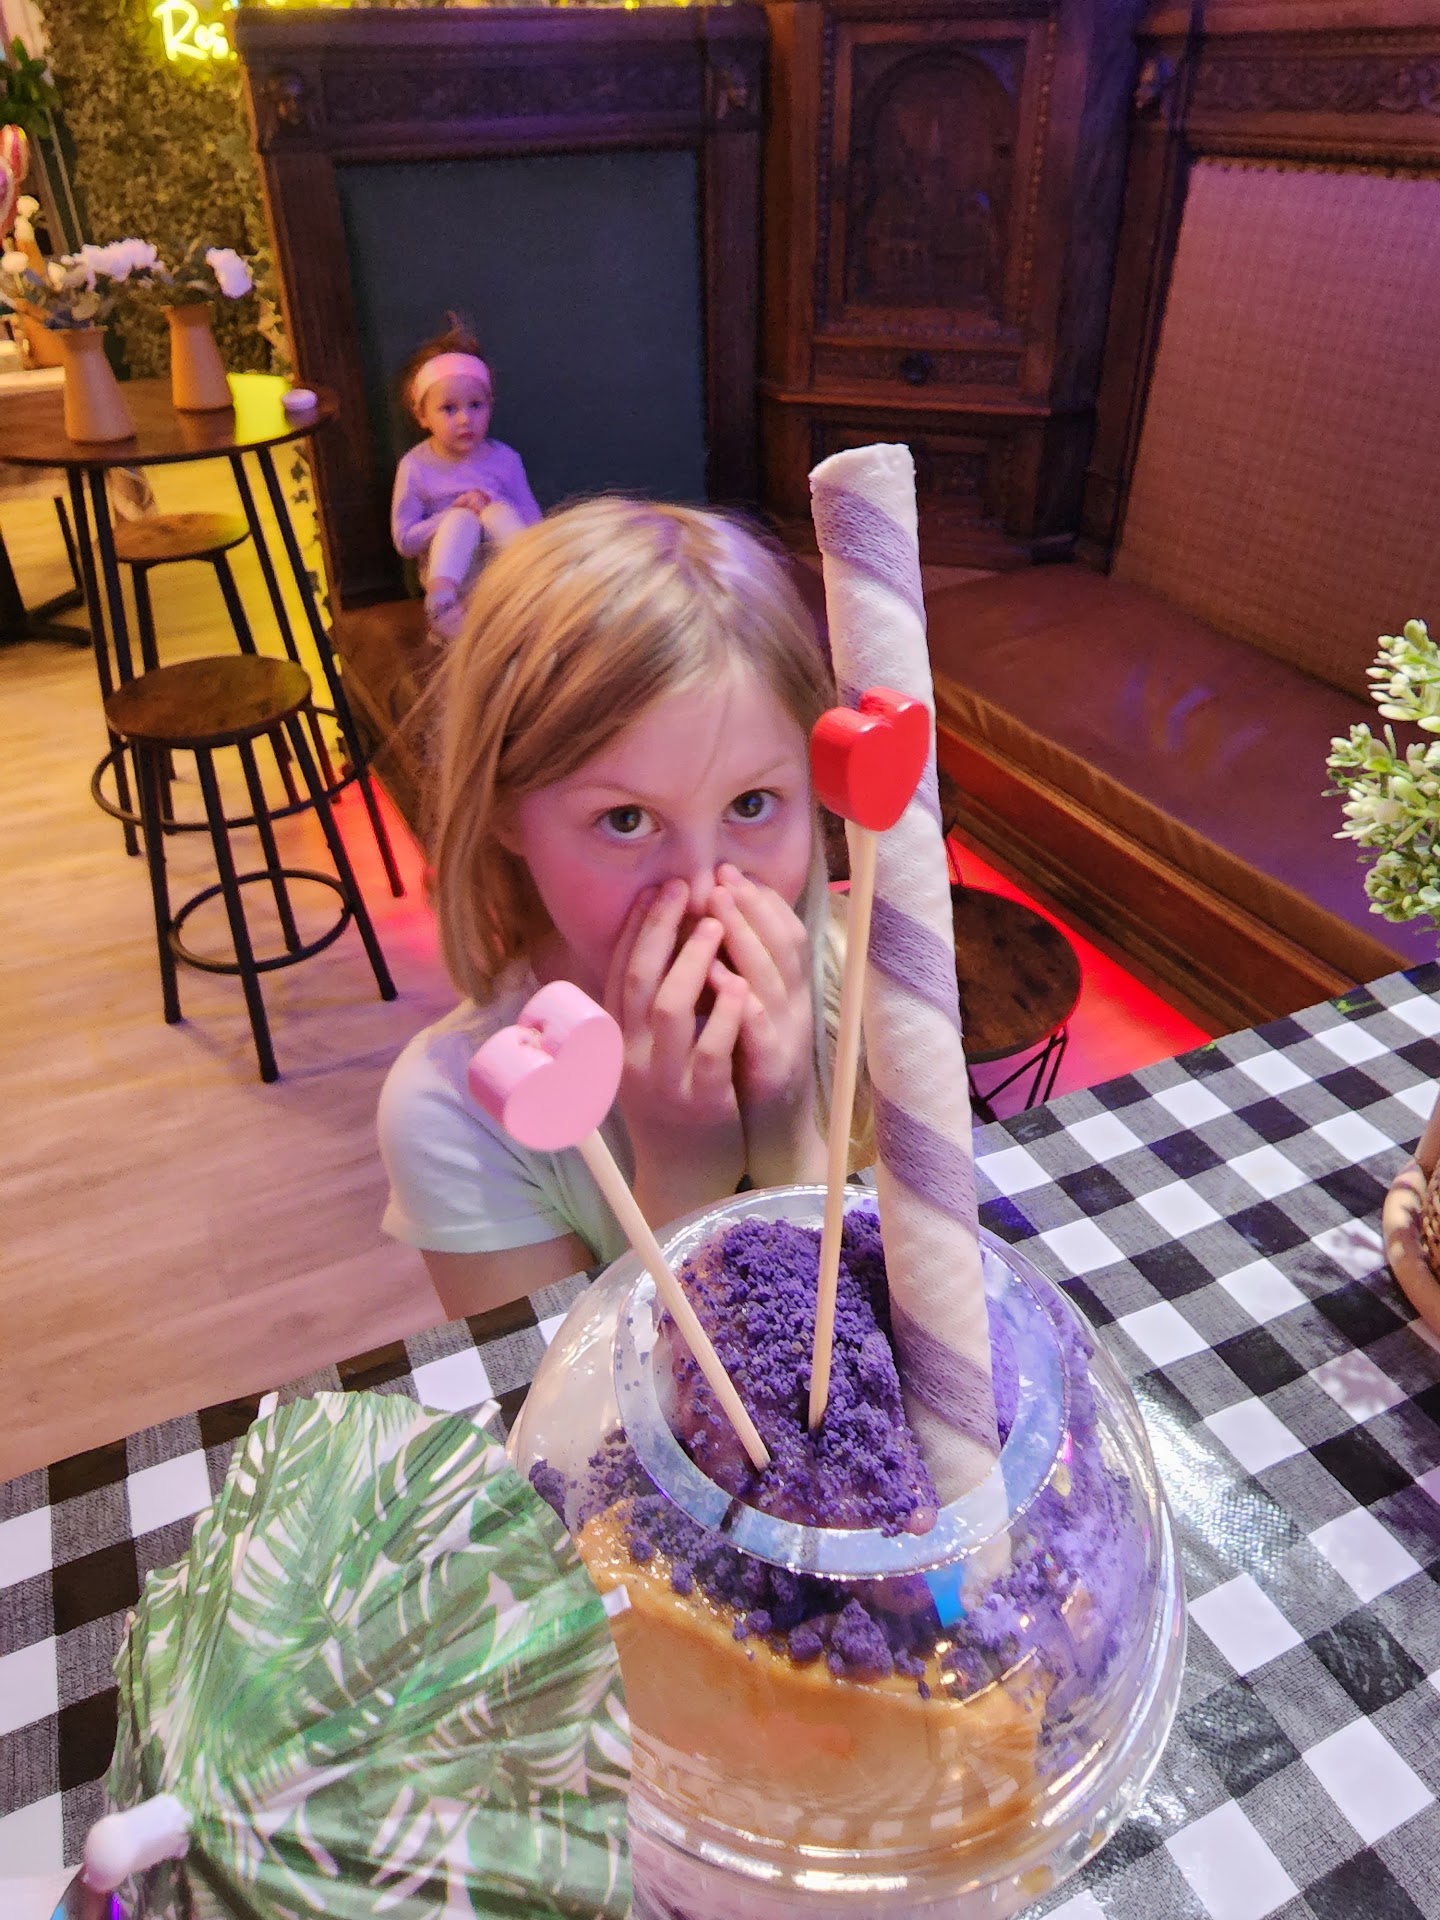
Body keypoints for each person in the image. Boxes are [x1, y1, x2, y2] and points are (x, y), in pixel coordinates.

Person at [378, 497, 849, 1320]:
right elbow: (563, 1393)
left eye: (751, 804)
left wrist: (793, 1139)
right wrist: (683, 1174)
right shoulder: (457, 1113)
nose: (701, 889)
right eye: (626, 820)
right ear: (503, 812)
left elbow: (869, 1325)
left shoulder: (859, 976)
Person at [390, 316, 542, 642]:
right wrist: (453, 513)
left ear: (490, 405)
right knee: (462, 519)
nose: (465, 419)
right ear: (422, 415)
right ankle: (442, 606)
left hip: (505, 582)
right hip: (455, 587)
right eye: (449, 409)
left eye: (476, 405)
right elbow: (404, 540)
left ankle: (535, 586)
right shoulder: (415, 466)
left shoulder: (506, 460)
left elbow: (534, 524)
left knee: (497, 512)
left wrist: (490, 505)